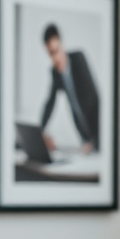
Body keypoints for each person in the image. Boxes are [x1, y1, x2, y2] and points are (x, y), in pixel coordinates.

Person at [39, 24, 100, 153]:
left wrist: (95, 140)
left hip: (97, 130)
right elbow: (50, 103)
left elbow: (93, 99)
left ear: (62, 45)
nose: (54, 58)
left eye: (56, 51)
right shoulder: (56, 73)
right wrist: (40, 132)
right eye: (50, 54)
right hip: (84, 135)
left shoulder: (78, 59)